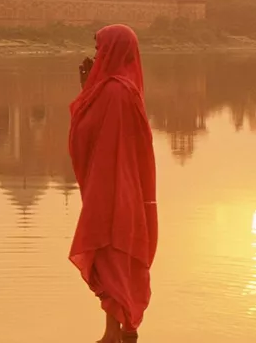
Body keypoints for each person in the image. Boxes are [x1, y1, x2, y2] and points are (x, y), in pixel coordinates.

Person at [69, 24, 158, 343]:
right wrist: (86, 93)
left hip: (114, 191)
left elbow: (89, 136)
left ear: (114, 52)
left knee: (115, 253)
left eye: (100, 50)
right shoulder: (122, 90)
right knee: (112, 256)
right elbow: (93, 135)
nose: (97, 56)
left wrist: (87, 96)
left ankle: (124, 329)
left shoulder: (117, 92)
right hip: (119, 189)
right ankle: (116, 331)